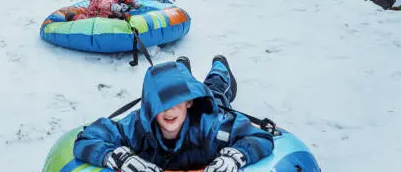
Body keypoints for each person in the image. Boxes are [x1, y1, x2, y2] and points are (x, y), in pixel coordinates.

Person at [73, 56, 273, 172]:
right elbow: (88, 138)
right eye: (161, 103)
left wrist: (235, 157)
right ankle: (181, 68)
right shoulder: (136, 128)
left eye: (176, 102)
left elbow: (259, 137)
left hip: (211, 103)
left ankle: (220, 66)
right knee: (174, 81)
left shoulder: (212, 125)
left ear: (188, 102)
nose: (168, 111)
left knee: (214, 88)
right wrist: (118, 157)